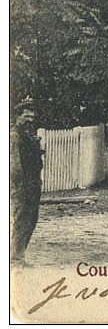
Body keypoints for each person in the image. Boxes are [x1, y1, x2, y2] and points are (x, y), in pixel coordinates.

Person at [10, 99, 43, 262]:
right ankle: (15, 258)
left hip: (33, 182)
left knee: (31, 219)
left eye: (32, 116)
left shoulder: (28, 135)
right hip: (22, 184)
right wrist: (17, 186)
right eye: (26, 116)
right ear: (18, 116)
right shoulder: (14, 135)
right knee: (21, 219)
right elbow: (14, 163)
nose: (30, 119)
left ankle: (18, 254)